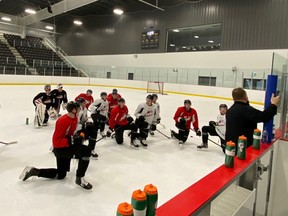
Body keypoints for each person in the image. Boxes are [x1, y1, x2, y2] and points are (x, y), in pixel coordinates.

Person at [19, 101, 93, 190]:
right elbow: (56, 142)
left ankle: (34, 171)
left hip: (66, 146)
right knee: (86, 151)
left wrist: (83, 132)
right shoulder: (63, 121)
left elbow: (71, 134)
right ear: (73, 110)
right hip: (60, 149)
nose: (80, 110)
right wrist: (71, 140)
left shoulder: (74, 119)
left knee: (61, 175)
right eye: (78, 109)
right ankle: (80, 179)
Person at [225, 87, 280, 152]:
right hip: (244, 147)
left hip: (231, 147)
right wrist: (273, 105)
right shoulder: (246, 110)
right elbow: (263, 116)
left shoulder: (229, 111)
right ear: (245, 96)